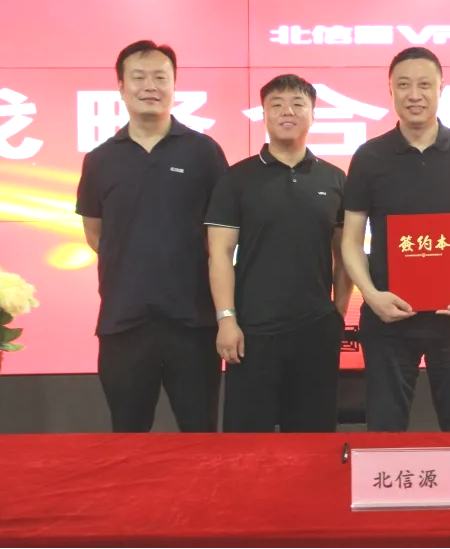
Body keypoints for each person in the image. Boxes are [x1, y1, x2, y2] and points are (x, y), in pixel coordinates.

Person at [340, 47, 450, 433]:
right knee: (385, 433)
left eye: (425, 85)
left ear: (441, 89)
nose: (414, 95)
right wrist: (371, 296)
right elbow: (351, 239)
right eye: (404, 85)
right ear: (390, 90)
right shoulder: (369, 157)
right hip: (388, 323)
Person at [76, 39, 227, 433]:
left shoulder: (203, 152)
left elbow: (222, 235)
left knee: (200, 434)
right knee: (128, 436)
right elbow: (95, 232)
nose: (150, 86)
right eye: (139, 77)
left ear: (174, 85)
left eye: (161, 77)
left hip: (194, 321)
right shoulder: (100, 159)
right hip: (124, 323)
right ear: (121, 86)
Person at [205, 74, 353, 433]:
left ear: (313, 115)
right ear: (264, 115)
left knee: (313, 438)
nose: (288, 111)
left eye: (298, 104)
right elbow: (220, 253)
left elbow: (345, 253)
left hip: (315, 330)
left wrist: (337, 312)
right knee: (248, 440)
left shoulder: (334, 179)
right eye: (277, 104)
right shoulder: (237, 179)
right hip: (252, 331)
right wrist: (226, 320)